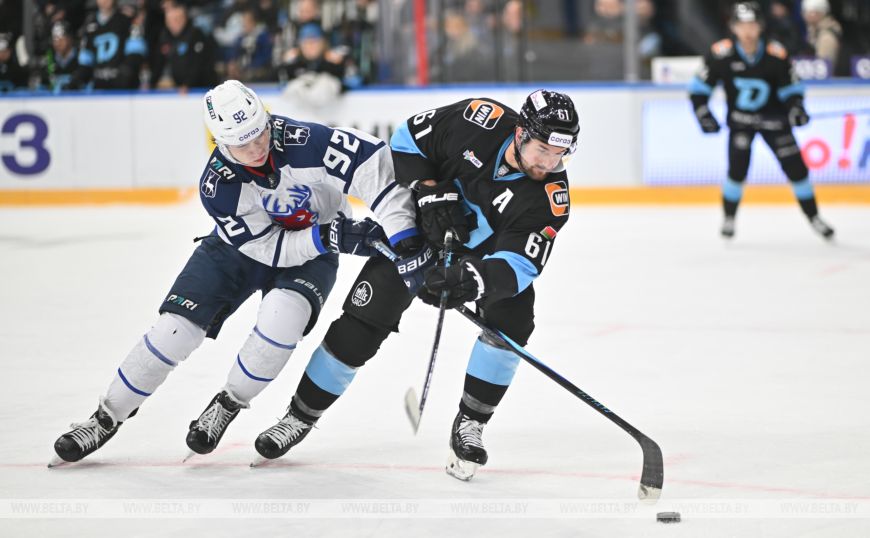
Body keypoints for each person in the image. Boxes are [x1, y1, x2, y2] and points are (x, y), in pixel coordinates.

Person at [50, 80, 420, 465]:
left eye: (260, 134)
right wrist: (327, 236)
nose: (257, 148)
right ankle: (105, 417)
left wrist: (402, 231)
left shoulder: (306, 141)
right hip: (239, 250)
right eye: (243, 145)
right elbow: (269, 248)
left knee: (281, 323)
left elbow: (373, 164)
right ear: (221, 143)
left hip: (313, 252)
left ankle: (228, 403)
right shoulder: (218, 187)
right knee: (173, 330)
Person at [254, 89, 580, 482]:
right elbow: (407, 138)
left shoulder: (549, 197)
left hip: (482, 258)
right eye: (543, 149)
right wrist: (427, 188)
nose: (549, 163)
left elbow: (521, 263)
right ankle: (299, 416)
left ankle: (471, 422)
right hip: (419, 234)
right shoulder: (478, 119)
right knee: (360, 322)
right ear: (520, 133)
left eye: (560, 154)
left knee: (512, 324)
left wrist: (471, 280)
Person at [688, 1, 834, 240]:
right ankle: (729, 217)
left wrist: (796, 108)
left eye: (752, 24)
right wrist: (703, 114)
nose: (748, 31)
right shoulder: (720, 54)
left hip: (775, 122)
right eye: (742, 25)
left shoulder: (775, 53)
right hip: (741, 123)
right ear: (733, 27)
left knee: (797, 170)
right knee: (737, 171)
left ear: (761, 26)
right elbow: (698, 90)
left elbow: (791, 88)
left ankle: (814, 216)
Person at [76, 0, 147, 89]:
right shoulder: (89, 25)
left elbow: (135, 53)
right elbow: (85, 62)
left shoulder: (126, 21)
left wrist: (126, 72)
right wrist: (76, 80)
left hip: (124, 88)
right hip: (99, 88)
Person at [153, 1, 218, 92]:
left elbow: (198, 63)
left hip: (204, 88)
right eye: (169, 21)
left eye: (176, 20)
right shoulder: (166, 36)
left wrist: (188, 84)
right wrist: (151, 83)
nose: (172, 25)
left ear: (184, 19)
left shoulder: (195, 34)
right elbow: (159, 62)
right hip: (181, 87)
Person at [800, 0, 842, 72]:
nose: (805, 15)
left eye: (808, 12)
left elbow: (823, 67)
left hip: (826, 77)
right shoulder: (813, 31)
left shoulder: (827, 36)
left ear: (819, 13)